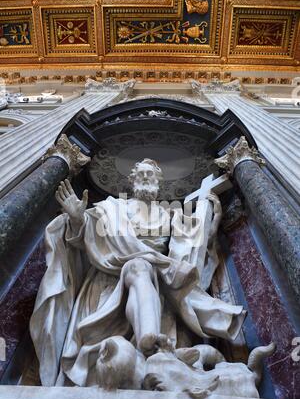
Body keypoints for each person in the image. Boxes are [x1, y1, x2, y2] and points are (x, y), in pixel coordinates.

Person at [30, 158, 246, 386]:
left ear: (158, 182)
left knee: (142, 266)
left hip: (156, 285)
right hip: (110, 282)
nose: (145, 178)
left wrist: (214, 222)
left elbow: (192, 247)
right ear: (132, 181)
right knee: (138, 265)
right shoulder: (112, 208)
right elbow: (81, 240)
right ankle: (153, 348)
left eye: (150, 175)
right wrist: (76, 219)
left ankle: (150, 343)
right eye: (141, 174)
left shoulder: (169, 215)